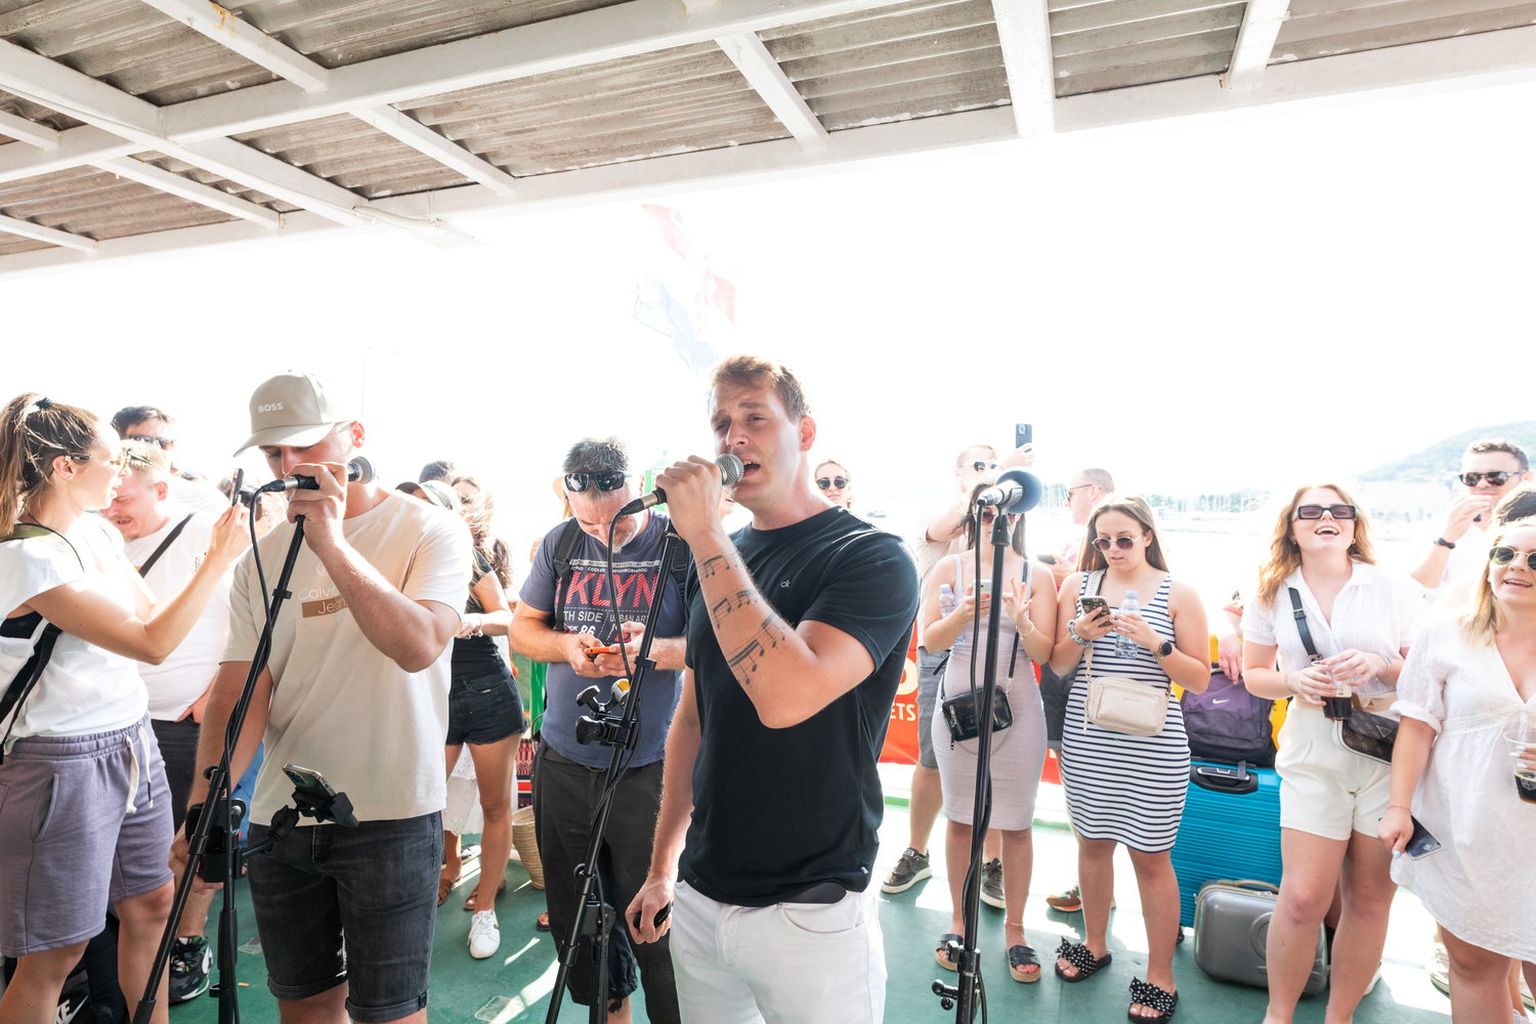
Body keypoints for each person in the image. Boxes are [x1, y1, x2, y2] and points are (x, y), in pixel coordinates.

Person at [627, 355, 919, 1024]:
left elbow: (786, 697)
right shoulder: (720, 554)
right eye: (721, 423)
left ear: (805, 433)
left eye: (755, 418)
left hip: (810, 909)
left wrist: (704, 533)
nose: (734, 437)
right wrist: (663, 865)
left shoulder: (870, 556)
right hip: (702, 893)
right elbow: (693, 718)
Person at [172, 372, 469, 1024]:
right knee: (302, 1008)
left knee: (390, 1014)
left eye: (304, 444)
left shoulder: (431, 529)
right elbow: (239, 689)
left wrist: (330, 541)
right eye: (273, 452)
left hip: (392, 812)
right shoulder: (260, 557)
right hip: (281, 815)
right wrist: (206, 803)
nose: (289, 465)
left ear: (354, 436)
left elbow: (418, 644)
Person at [0, 394, 247, 1024]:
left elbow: (149, 615)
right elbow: (152, 642)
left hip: (130, 738)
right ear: (64, 467)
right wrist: (219, 559)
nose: (122, 473)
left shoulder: (96, 532)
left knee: (153, 904)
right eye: (111, 460)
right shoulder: (27, 557)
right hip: (61, 758)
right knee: (57, 952)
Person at [509, 438, 684, 1024]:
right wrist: (565, 647)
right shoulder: (560, 543)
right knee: (579, 922)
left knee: (657, 921)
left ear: (638, 488)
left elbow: (719, 647)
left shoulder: (681, 545)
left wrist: (652, 650)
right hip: (564, 761)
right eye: (589, 522)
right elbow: (523, 630)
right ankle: (611, 1011)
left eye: (617, 521)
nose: (603, 534)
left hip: (650, 768)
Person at [1239, 485, 1422, 1024]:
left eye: (1340, 510)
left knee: (1368, 899)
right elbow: (1255, 675)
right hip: (1313, 746)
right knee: (1301, 897)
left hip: (1386, 750)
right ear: (1292, 528)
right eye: (1312, 511)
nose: (1328, 517)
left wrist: (1379, 664)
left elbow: (1424, 672)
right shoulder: (1271, 591)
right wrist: (1294, 680)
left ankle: (1338, 1017)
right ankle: (1279, 1016)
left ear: (1354, 525)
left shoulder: (1392, 586)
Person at [1048, 497, 1210, 1023]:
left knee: (1151, 857)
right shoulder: (1078, 586)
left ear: (1146, 536)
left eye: (1124, 539)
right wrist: (1081, 634)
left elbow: (1198, 679)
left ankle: (1160, 973)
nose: (1113, 549)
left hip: (1154, 745)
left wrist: (1155, 642)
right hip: (1089, 738)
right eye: (1103, 541)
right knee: (1092, 846)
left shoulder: (1179, 593)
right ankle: (1095, 944)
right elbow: (1058, 665)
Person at [1380, 516, 1536, 1024]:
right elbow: (1417, 725)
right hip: (1463, 830)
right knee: (1472, 967)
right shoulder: (1444, 634)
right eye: (1505, 554)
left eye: (1535, 559)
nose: (1517, 567)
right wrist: (1398, 808)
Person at [102, 442, 232, 1003]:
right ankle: (134, 950)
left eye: (124, 499)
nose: (113, 509)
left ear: (161, 490)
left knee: (192, 838)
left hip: (187, 721)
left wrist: (213, 697)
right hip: (119, 723)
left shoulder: (206, 533)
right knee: (132, 851)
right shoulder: (101, 540)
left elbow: (253, 618)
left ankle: (187, 943)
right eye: (108, 499)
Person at [922, 488, 1057, 983]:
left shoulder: (1037, 575)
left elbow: (1043, 655)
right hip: (958, 703)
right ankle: (958, 922)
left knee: (1017, 824)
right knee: (960, 819)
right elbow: (929, 641)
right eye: (985, 507)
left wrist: (1022, 619)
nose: (994, 516)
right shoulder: (948, 568)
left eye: (1004, 508)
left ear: (1017, 517)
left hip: (1018, 707)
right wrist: (961, 615)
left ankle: (1016, 930)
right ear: (972, 513)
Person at [883, 443, 1024, 905]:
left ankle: (992, 862)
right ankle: (916, 850)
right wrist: (996, 478)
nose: (990, 474)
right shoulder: (940, 523)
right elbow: (951, 520)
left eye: (994, 466)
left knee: (992, 758)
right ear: (960, 474)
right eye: (980, 466)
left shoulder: (1007, 535)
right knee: (931, 758)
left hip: (994, 656)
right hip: (943, 654)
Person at [1042, 466, 1114, 915]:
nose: (1067, 501)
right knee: (1075, 782)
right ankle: (1091, 883)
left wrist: (1066, 573)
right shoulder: (1075, 540)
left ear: (1094, 491)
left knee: (1110, 784)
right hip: (1064, 666)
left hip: (1102, 676)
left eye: (1070, 493)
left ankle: (1098, 886)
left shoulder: (1125, 537)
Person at [1410, 439, 1531, 596]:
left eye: (1496, 477)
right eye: (1472, 478)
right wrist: (1447, 538)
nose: (1482, 484)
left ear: (1526, 479)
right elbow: (1417, 590)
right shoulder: (1437, 529)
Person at [109, 406, 226, 516]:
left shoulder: (203, 499)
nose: (155, 449)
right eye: (141, 440)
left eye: (164, 443)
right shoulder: (102, 494)